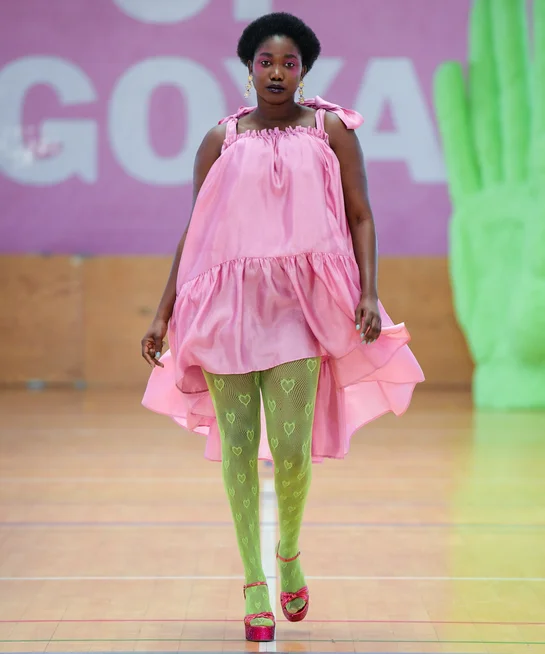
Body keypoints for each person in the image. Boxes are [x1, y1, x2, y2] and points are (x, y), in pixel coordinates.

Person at [141, 12, 424, 643]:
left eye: (288, 63)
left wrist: (369, 292)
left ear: (304, 71)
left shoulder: (330, 130)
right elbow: (196, 231)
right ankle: (253, 583)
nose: (276, 72)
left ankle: (288, 552)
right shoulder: (221, 139)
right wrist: (163, 312)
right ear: (249, 69)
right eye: (265, 62)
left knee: (292, 452)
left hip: (300, 308)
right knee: (238, 449)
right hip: (224, 310)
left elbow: (361, 216)